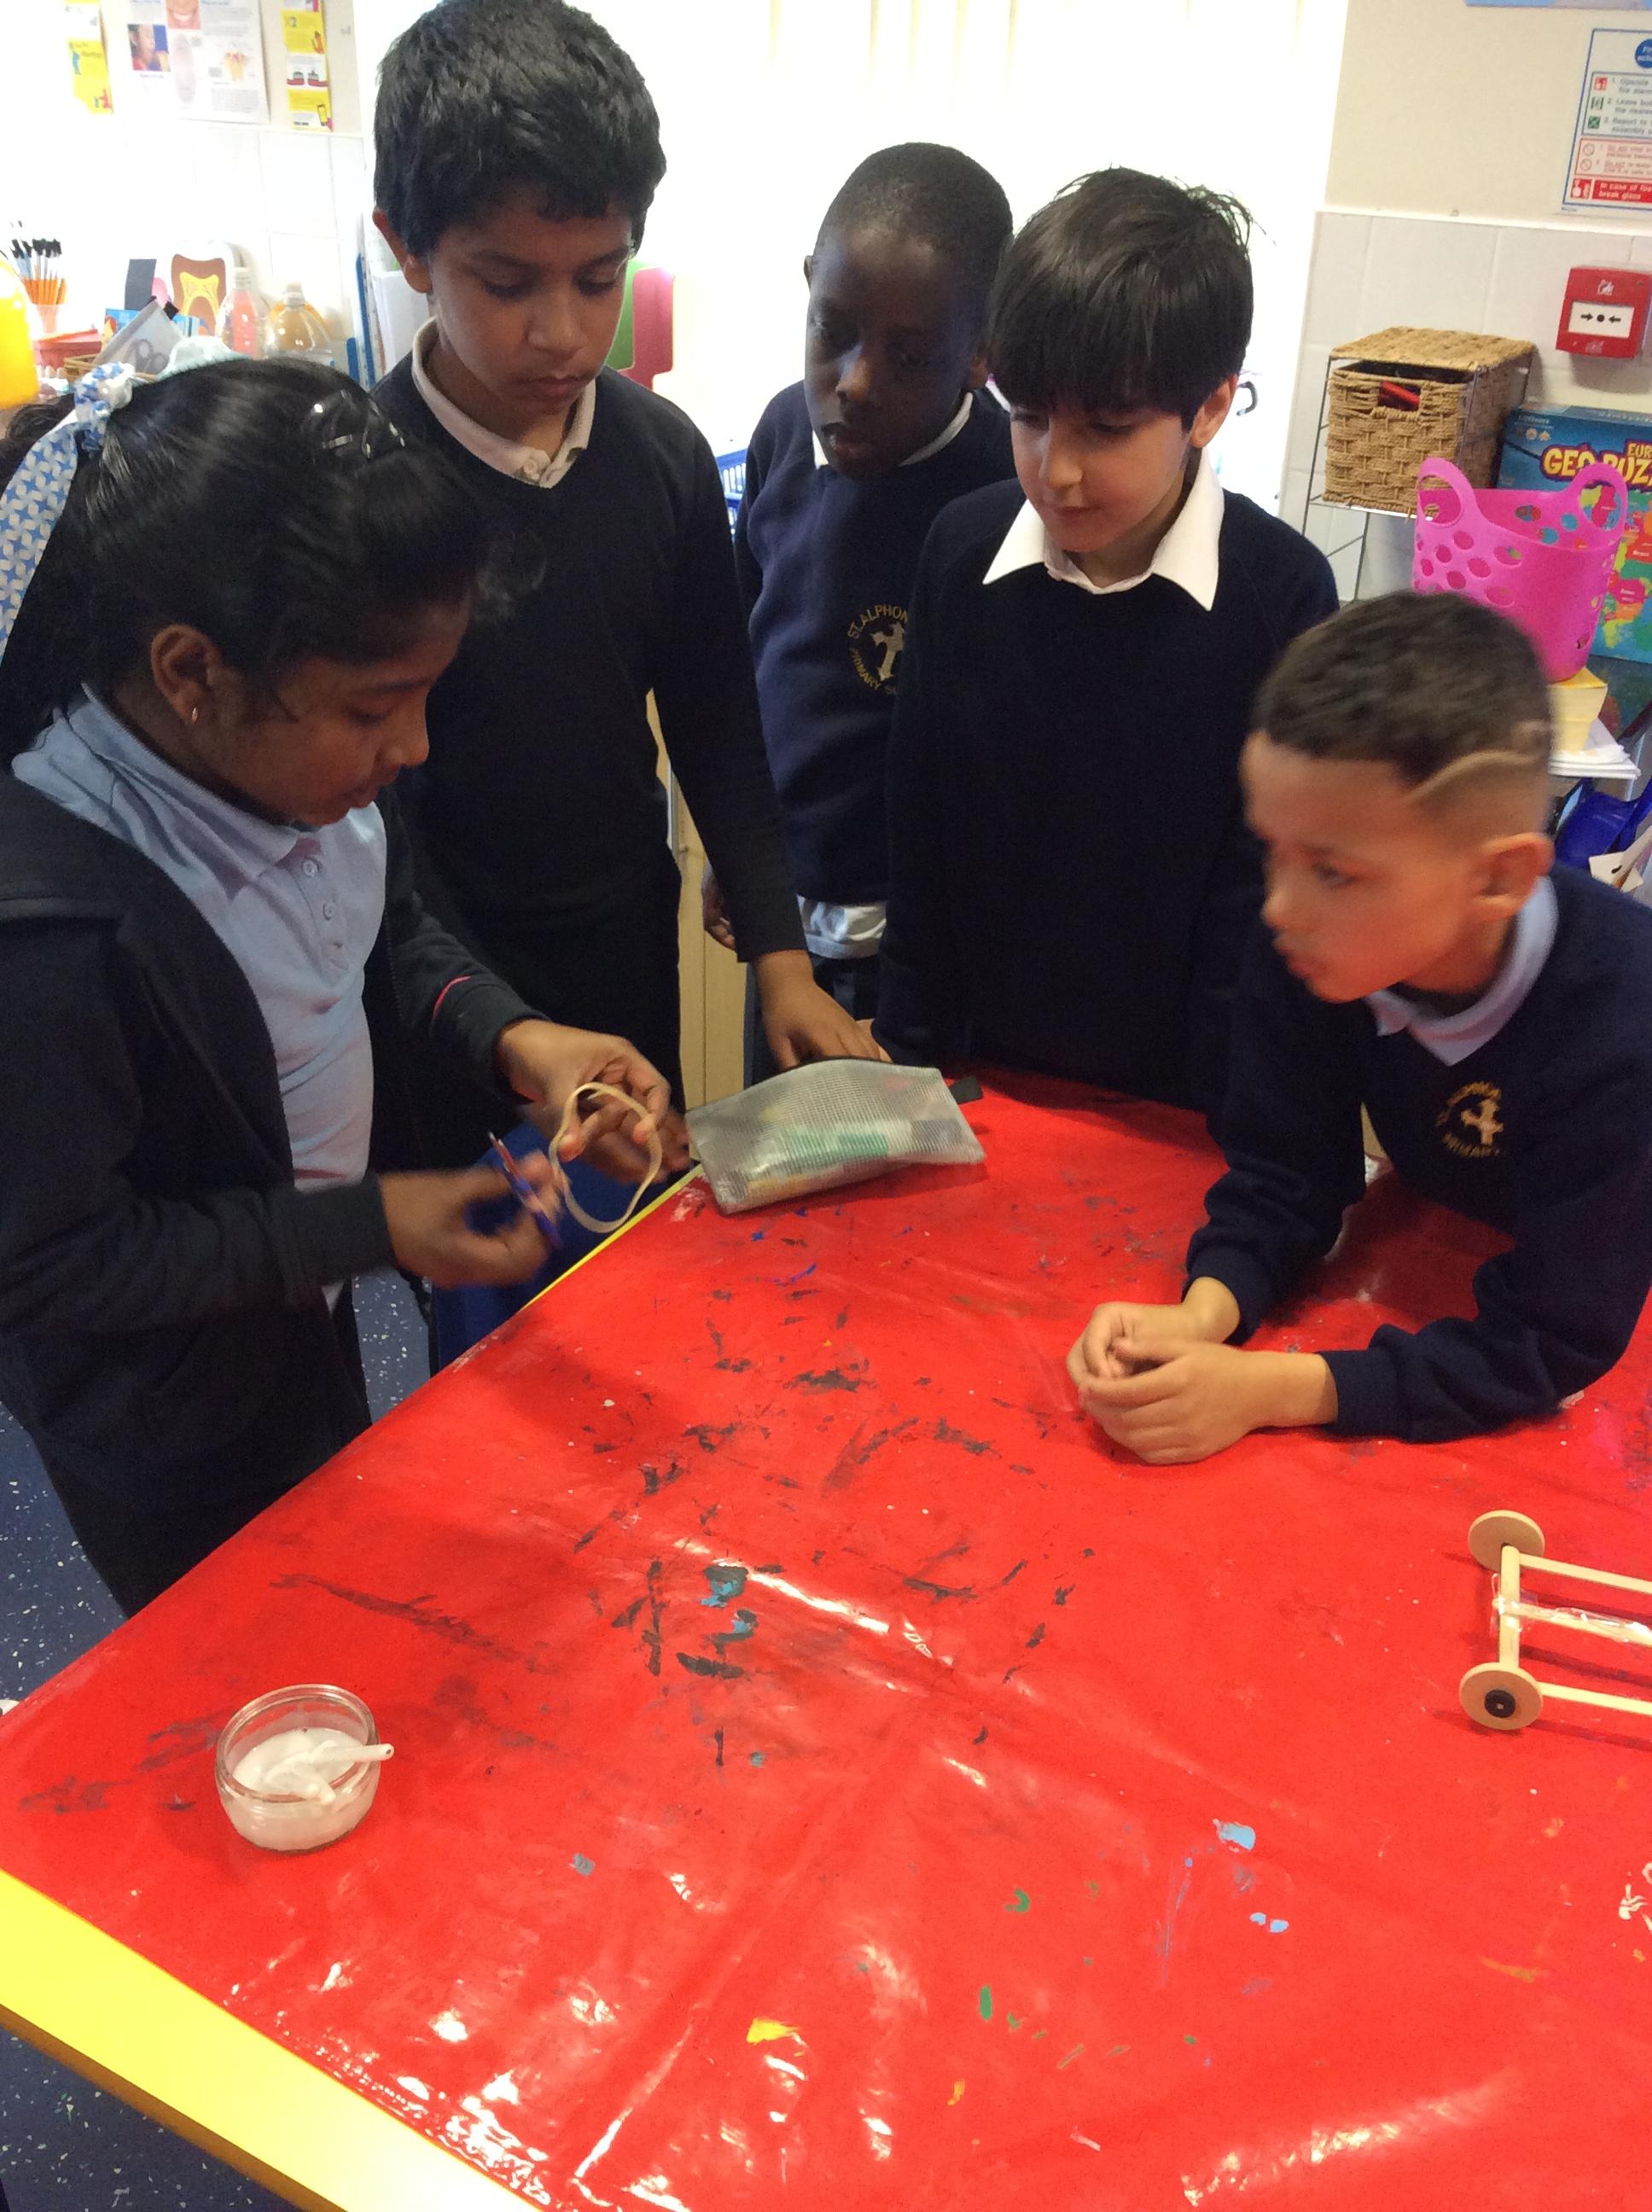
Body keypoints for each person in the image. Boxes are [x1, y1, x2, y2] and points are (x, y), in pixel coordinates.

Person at [0, 358, 683, 1613]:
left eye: (424, 698)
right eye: (375, 710)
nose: (412, 747)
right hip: (163, 1417)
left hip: (291, 1322)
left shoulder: (294, 776)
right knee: (242, 1644)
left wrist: (513, 1037)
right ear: (192, 672)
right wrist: (362, 1227)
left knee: (338, 1574)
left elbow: (383, 934)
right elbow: (48, 1264)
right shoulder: (49, 934)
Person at [371, 0, 874, 1170]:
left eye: (600, 279)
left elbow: (716, 722)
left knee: (637, 1236)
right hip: (430, 977)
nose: (564, 332)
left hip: (621, 948)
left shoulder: (663, 458)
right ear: (410, 248)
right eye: (508, 284)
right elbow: (359, 839)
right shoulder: (355, 481)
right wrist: (498, 1030)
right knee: (479, 1261)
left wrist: (782, 959)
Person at [1069, 591, 1652, 1459]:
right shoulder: (1320, 945)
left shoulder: (1620, 1027)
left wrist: (1274, 1390)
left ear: (1498, 880)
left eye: (1334, 872)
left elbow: (1554, 1336)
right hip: (1461, 1232)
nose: (1278, 906)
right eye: (1272, 851)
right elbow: (1283, 1172)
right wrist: (1202, 1313)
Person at [875, 167, 1337, 1110]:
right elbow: (920, 826)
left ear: (1210, 408)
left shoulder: (1279, 596)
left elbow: (1258, 901)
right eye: (1028, 417)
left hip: (1180, 1098)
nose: (1057, 470)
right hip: (976, 1077)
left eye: (1108, 428)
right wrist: (915, 1063)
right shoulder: (961, 551)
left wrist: (1212, 1117)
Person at [713, 142, 1016, 1082]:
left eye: (909, 357)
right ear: (808, 283)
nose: (853, 381)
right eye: (831, 331)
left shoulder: (1007, 492)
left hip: (921, 956)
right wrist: (741, 858)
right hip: (783, 936)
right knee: (780, 1156)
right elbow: (746, 669)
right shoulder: (781, 433)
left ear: (981, 354)